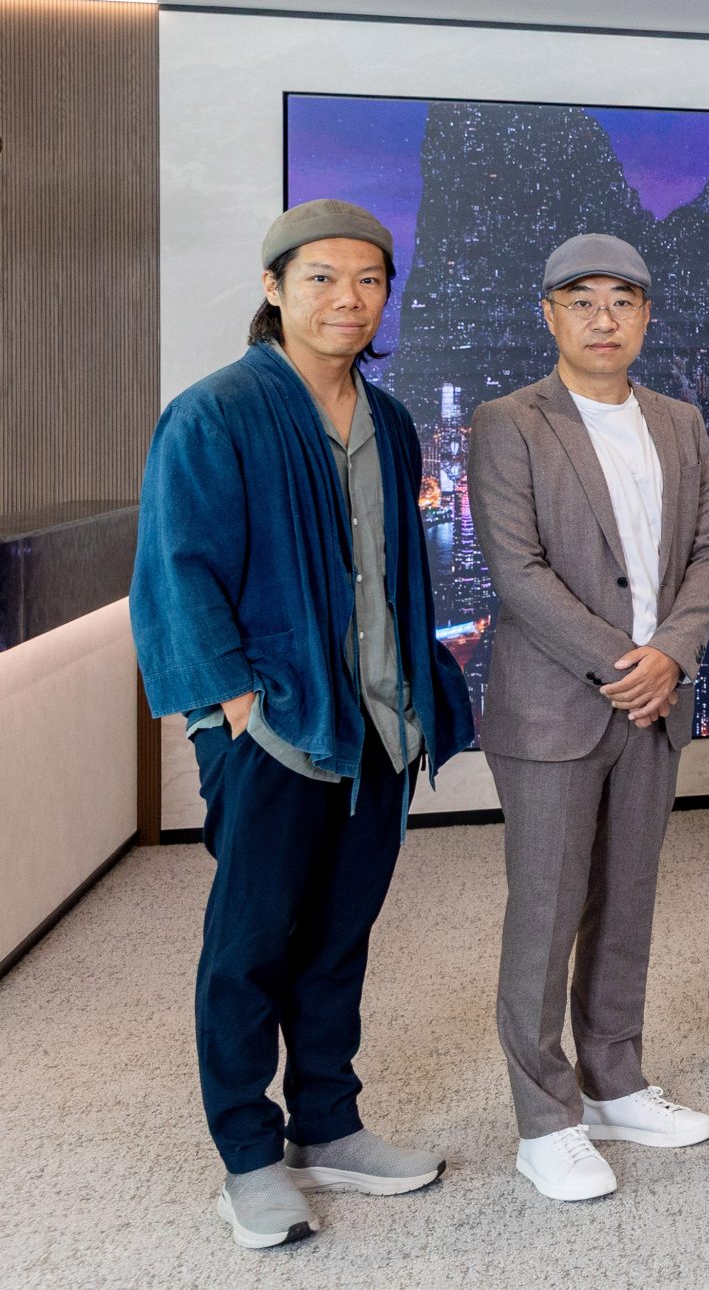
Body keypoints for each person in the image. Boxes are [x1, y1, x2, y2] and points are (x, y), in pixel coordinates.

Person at [132, 199, 473, 1250]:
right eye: (321, 277)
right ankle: (248, 1156)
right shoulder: (215, 412)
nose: (347, 298)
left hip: (377, 723)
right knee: (250, 945)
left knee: (337, 937)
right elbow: (178, 572)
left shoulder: (393, 420)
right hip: (274, 729)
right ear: (274, 288)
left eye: (368, 279)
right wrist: (238, 710)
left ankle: (328, 1123)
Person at [466, 234, 709, 1200]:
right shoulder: (510, 421)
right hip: (556, 707)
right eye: (582, 301)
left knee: (628, 900)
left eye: (622, 300)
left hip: (656, 702)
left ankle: (615, 1080)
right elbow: (517, 569)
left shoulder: (679, 421)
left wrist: (674, 654)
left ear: (646, 315)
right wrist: (629, 662)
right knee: (544, 909)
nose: (603, 318)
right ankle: (545, 1120)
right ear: (550, 314)